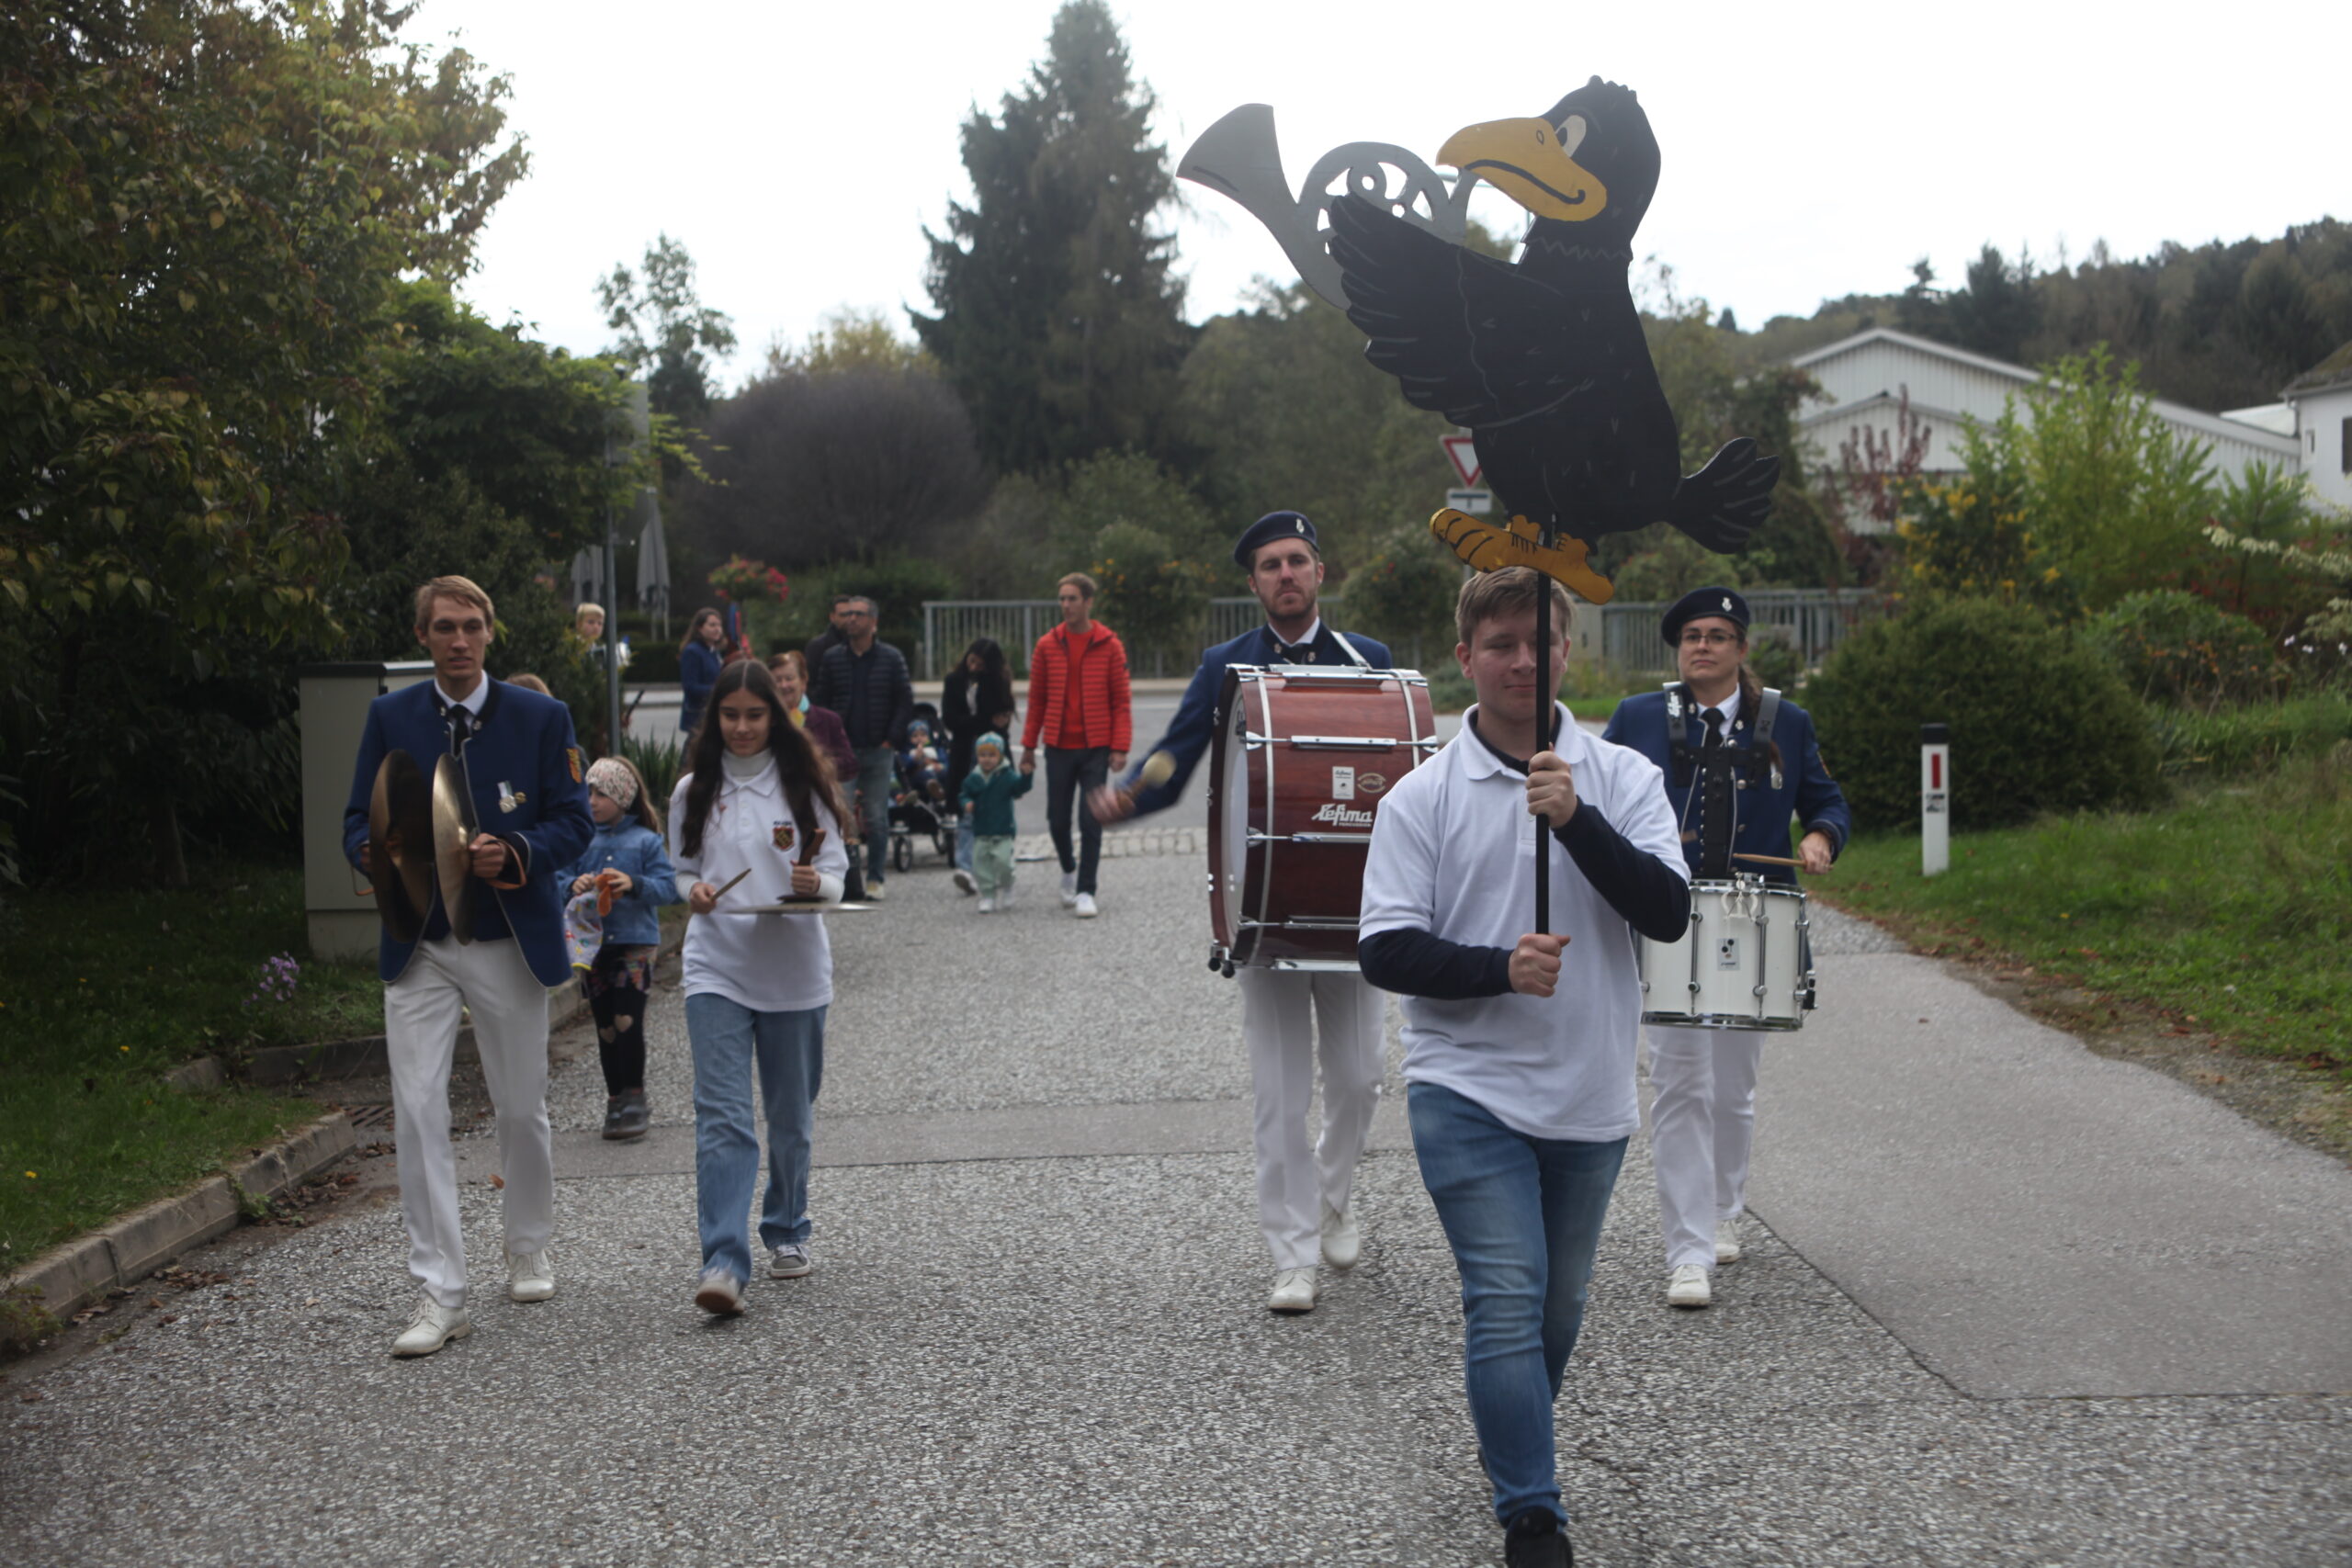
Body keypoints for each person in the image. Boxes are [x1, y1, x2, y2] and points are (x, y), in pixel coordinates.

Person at [1358, 567, 1692, 1568]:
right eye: (1497, 643)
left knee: (1555, 1310)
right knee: (1504, 1298)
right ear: (1464, 658)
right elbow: (1384, 949)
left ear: (1565, 651)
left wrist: (1575, 819)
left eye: (1536, 642)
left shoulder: (1623, 778)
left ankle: (1512, 1435)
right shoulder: (1422, 796)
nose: (1519, 661)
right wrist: (1497, 969)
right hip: (1465, 1083)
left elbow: (1668, 913)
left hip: (1588, 1093)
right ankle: (1532, 1517)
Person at [1089, 511, 1385, 1313]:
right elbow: (1176, 753)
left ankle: (1332, 1196)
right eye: (1269, 566)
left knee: (1360, 1079)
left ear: (1321, 572)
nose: (1285, 574)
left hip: (1355, 903)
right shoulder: (1228, 666)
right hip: (1264, 901)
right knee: (1279, 1091)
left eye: (1297, 560)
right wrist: (1131, 797)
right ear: (1253, 584)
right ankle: (1291, 1251)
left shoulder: (1371, 662)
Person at [341, 574, 595, 1358]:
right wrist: (383, 857)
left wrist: (516, 850)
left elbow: (574, 820)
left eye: (472, 626)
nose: (459, 639)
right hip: (418, 942)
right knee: (418, 1112)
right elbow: (358, 819)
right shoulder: (391, 716)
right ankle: (440, 1290)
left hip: (504, 936)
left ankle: (527, 1243)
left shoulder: (541, 717)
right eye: (444, 627)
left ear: (490, 633)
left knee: (520, 1105)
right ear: (423, 636)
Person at [1600, 587, 1849, 1309]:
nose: (1701, 646)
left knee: (1733, 1088)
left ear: (1741, 648)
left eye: (1716, 635)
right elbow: (1599, 797)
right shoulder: (1641, 717)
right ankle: (1688, 1250)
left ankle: (1723, 1208)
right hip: (1668, 912)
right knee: (1678, 1080)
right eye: (1690, 636)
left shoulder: (1786, 722)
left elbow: (1829, 801)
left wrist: (1819, 835)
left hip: (1752, 919)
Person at [667, 660, 853, 1315]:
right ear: (714, 720)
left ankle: (787, 1226)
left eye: (754, 714)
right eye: (730, 714)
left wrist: (817, 886)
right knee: (721, 1115)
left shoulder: (804, 783)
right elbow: (681, 866)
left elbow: (837, 872)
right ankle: (722, 1257)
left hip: (795, 971)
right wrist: (690, 888)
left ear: (774, 715)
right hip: (715, 966)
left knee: (790, 1120)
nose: (742, 727)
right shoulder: (693, 789)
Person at [559, 756, 680, 1142]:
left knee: (628, 1020)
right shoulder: (580, 839)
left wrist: (635, 883)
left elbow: (669, 887)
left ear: (623, 798)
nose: (592, 801)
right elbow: (558, 878)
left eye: (601, 794)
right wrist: (571, 885)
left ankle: (635, 1097)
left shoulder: (646, 841)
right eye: (588, 792)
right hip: (592, 947)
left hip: (635, 944)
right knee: (606, 1027)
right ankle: (614, 1100)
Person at [1023, 572, 1130, 919]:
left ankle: (1087, 889)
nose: (1065, 605)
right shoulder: (1047, 645)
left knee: (1091, 819)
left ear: (1088, 602)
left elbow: (1120, 701)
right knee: (1056, 819)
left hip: (1095, 747)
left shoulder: (1109, 645)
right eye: (1062, 599)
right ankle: (1068, 869)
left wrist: (1120, 747)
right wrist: (1027, 746)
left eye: (1072, 598)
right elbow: (1036, 700)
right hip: (1057, 746)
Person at [809, 595, 912, 902]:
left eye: (859, 614)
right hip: (844, 751)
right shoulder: (833, 658)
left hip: (879, 749)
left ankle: (876, 877)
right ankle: (847, 877)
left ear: (873, 621)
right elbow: (822, 701)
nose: (851, 619)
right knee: (842, 817)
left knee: (877, 816)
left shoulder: (892, 658)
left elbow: (904, 701)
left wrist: (891, 738)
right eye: (848, 614)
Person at [942, 637, 1016, 896]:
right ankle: (965, 867)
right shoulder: (953, 682)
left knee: (996, 808)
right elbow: (950, 719)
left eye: (980, 664)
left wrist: (975, 721)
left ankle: (997, 865)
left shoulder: (996, 682)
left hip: (993, 752)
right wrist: (980, 721)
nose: (973, 667)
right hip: (963, 752)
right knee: (967, 808)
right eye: (971, 660)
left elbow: (1001, 719)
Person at [959, 732, 1033, 913]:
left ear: (1000, 756)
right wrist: (966, 803)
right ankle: (987, 895)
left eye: (992, 755)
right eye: (983, 755)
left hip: (1003, 829)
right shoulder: (973, 778)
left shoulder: (1006, 776)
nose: (987, 760)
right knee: (981, 865)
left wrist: (1026, 776)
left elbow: (1019, 789)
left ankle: (1007, 886)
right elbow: (964, 793)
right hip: (981, 830)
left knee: (1004, 862)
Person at [679, 606, 726, 742]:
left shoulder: (713, 651)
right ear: (699, 628)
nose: (717, 629)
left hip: (712, 712)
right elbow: (690, 687)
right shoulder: (692, 652)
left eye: (719, 625)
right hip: (698, 715)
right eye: (712, 625)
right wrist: (719, 690)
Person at [803, 594, 856, 671]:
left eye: (851, 614)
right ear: (832, 617)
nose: (849, 619)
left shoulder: (865, 645)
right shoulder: (817, 647)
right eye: (843, 615)